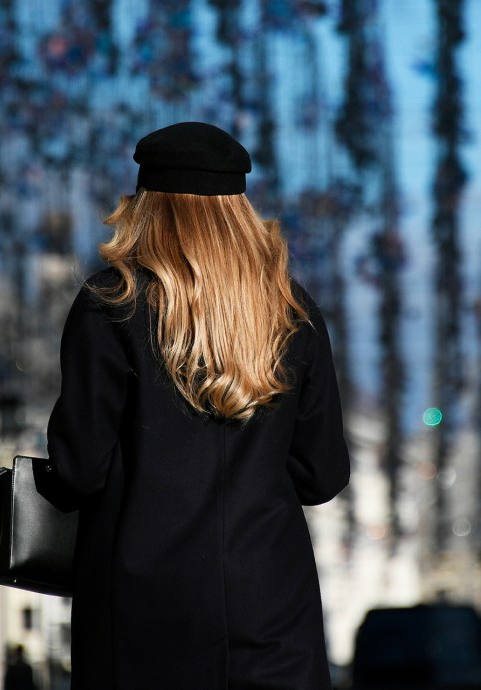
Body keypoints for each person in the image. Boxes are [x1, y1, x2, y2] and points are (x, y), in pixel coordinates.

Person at [33, 122, 350, 690]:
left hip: (142, 614)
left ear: (147, 208)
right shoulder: (292, 311)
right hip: (269, 609)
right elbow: (321, 473)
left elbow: (80, 468)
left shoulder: (112, 304)